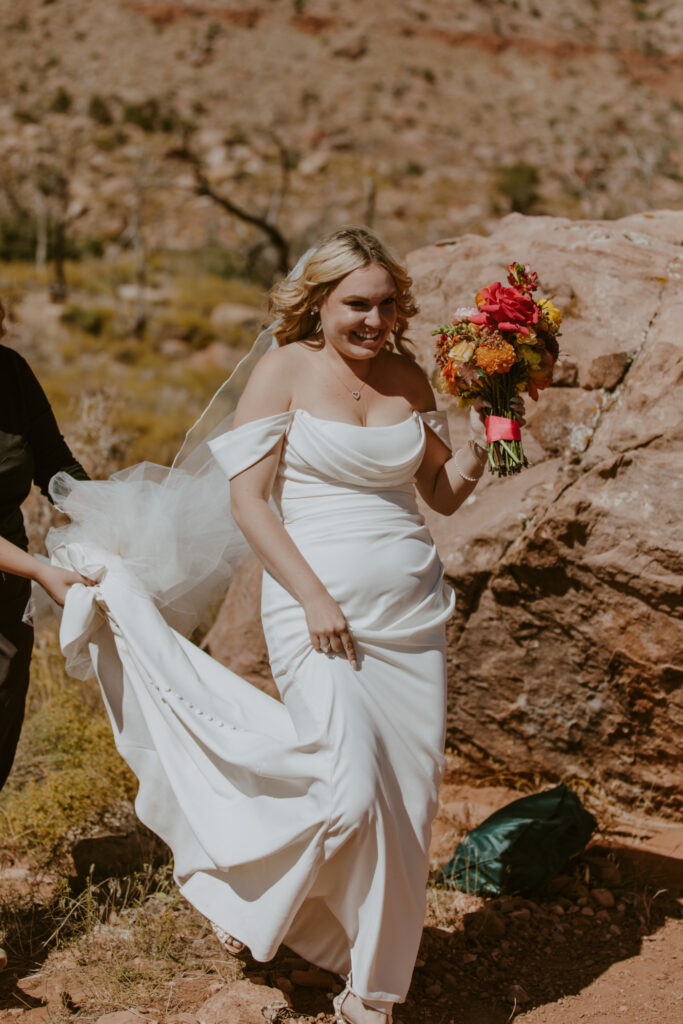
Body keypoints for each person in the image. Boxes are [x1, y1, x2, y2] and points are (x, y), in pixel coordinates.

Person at [47, 228, 523, 1024]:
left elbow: (440, 495)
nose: (372, 320)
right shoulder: (283, 370)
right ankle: (276, 901)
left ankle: (370, 993)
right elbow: (249, 501)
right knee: (345, 794)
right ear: (320, 302)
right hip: (318, 609)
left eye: (384, 304)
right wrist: (312, 595)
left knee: (407, 802)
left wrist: (488, 434)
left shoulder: (408, 377)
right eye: (355, 305)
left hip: (411, 615)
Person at [0, 299, 91, 790]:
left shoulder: (10, 372)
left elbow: (55, 466)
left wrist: (111, 519)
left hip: (5, 588)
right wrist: (39, 570)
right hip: (20, 568)